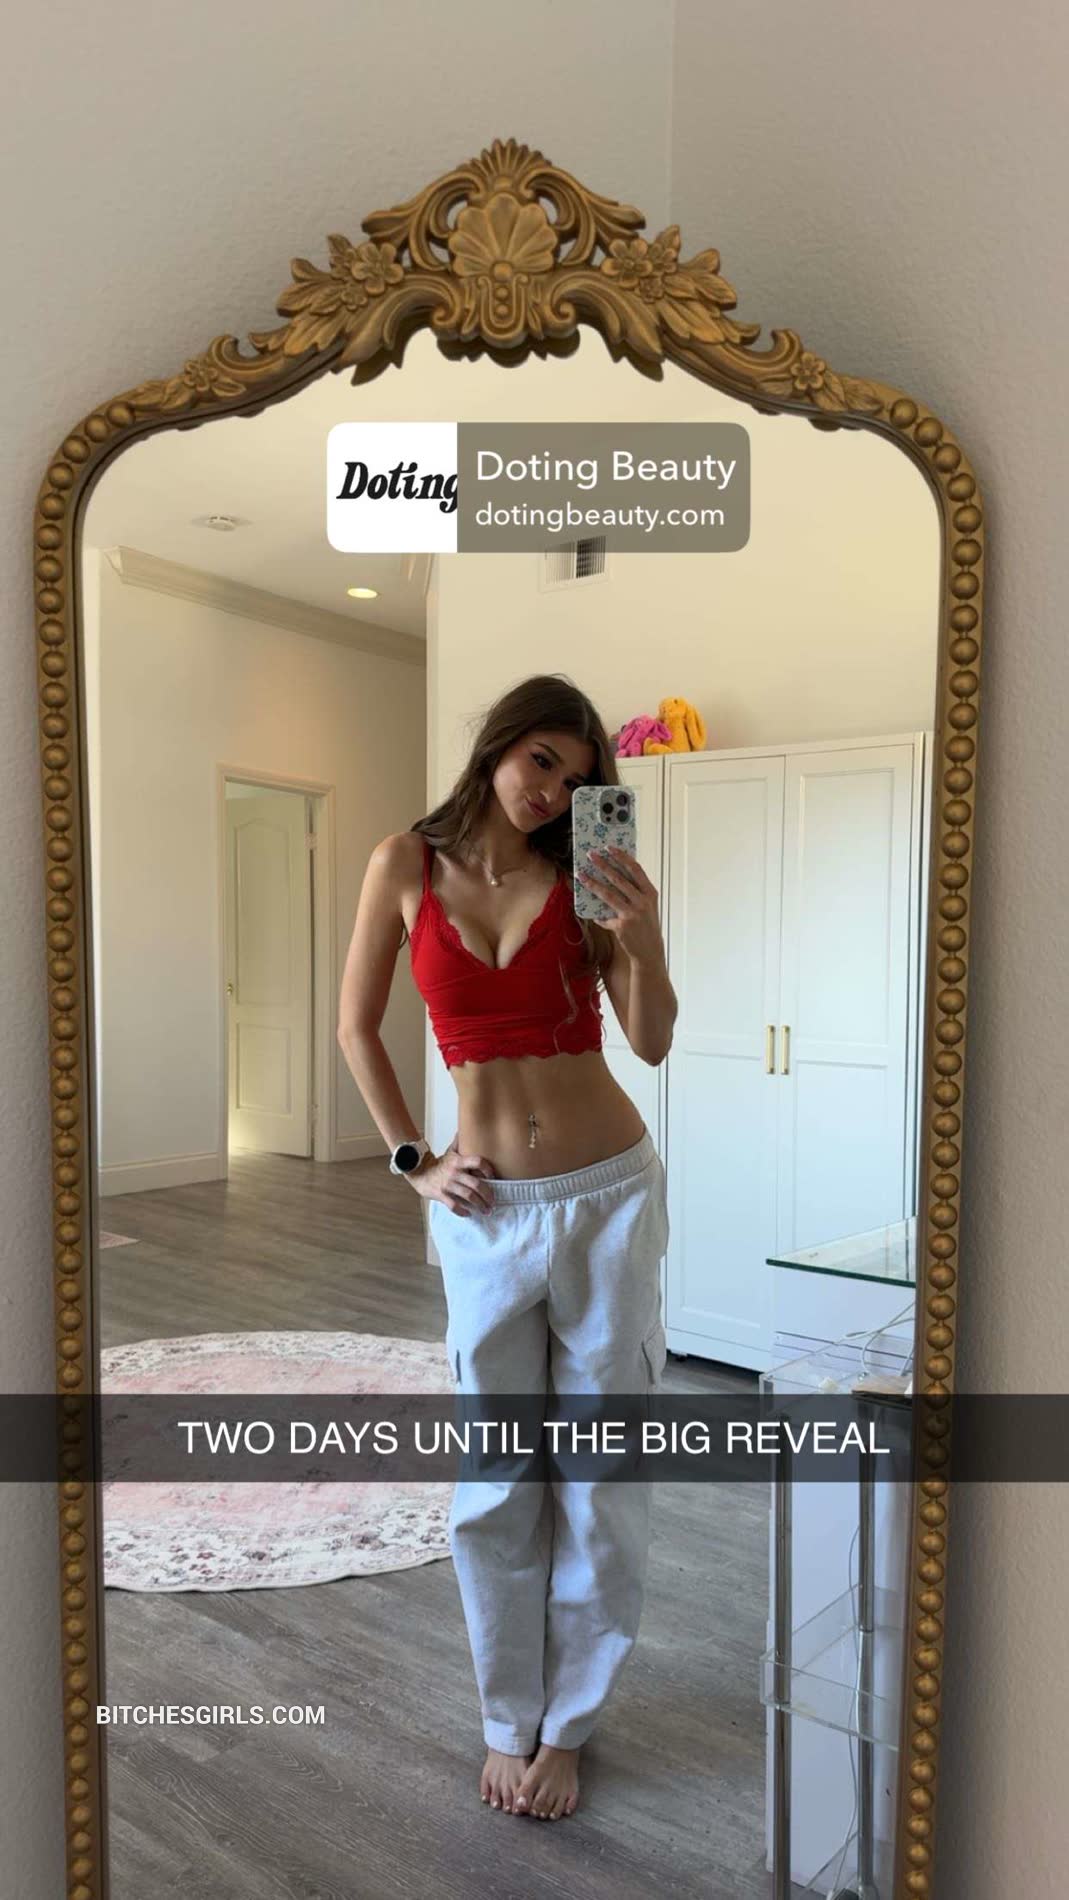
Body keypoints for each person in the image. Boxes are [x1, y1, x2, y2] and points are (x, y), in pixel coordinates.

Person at [337, 674, 677, 1822]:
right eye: (541, 760)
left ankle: (568, 1725)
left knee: (598, 1474)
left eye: (577, 780)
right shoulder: (402, 864)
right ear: (497, 746)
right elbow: (355, 1026)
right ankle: (505, 1716)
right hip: (483, 1215)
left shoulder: (585, 879)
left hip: (607, 1195)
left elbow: (651, 1040)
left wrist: (643, 939)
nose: (552, 792)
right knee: (494, 1477)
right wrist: (413, 1159)